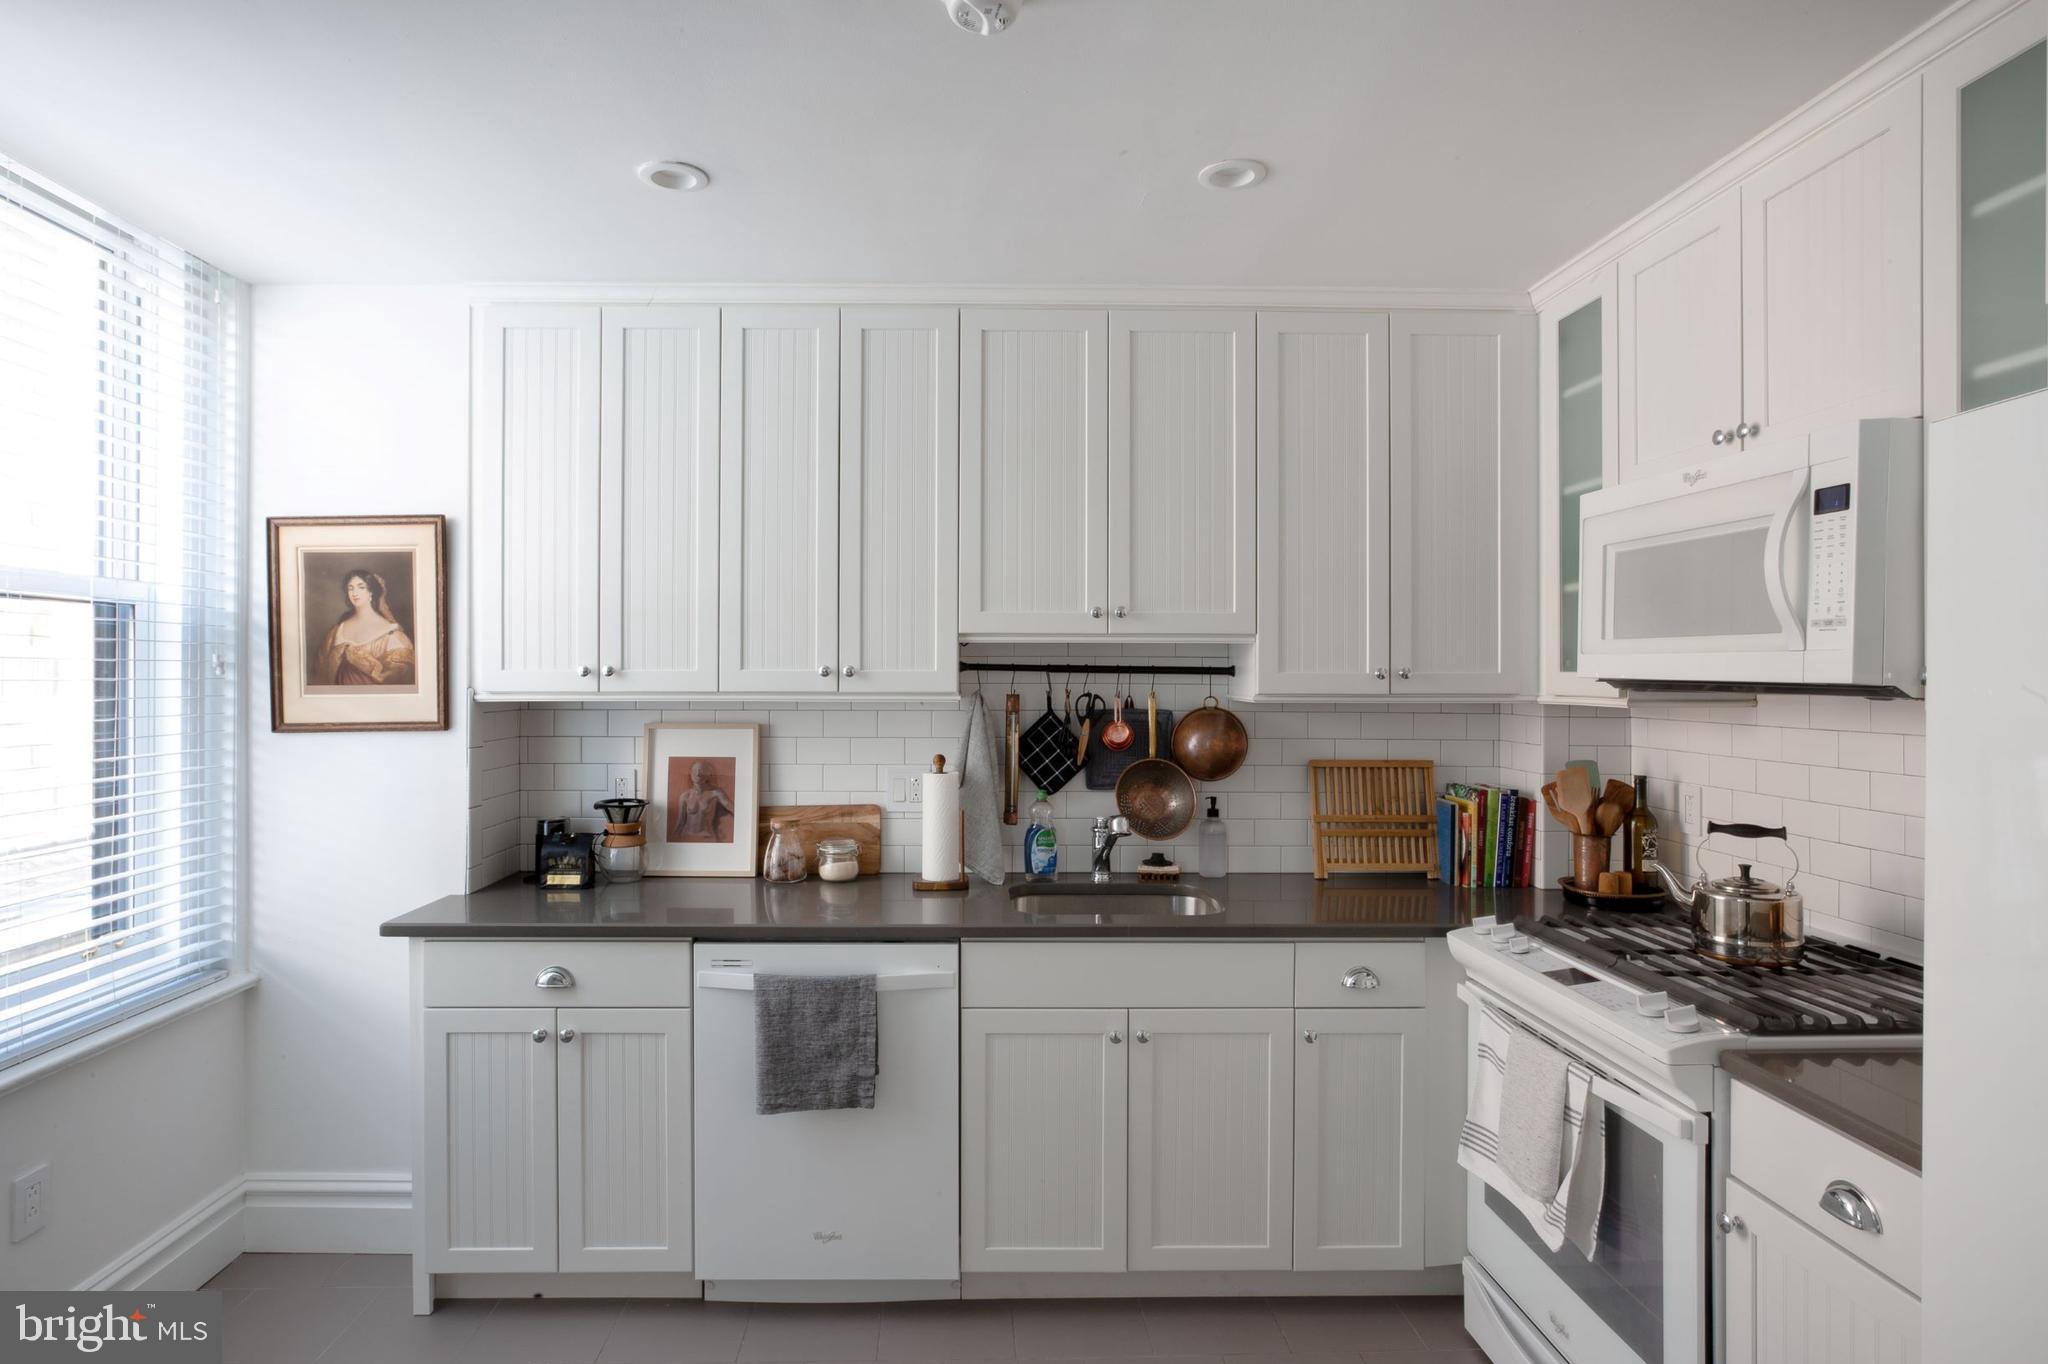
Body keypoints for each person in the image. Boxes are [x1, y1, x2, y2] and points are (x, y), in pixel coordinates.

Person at [314, 568, 416, 686]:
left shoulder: (391, 633)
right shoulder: (338, 630)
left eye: (361, 587)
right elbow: (322, 673)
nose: (354, 593)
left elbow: (396, 680)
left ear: (371, 592)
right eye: (350, 588)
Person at [674, 760, 736, 842]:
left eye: (701, 771)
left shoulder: (716, 793)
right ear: (691, 774)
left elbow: (732, 808)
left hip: (706, 838)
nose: (698, 774)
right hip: (687, 837)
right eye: (695, 771)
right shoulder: (685, 796)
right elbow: (680, 823)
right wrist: (672, 840)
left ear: (708, 775)